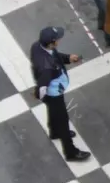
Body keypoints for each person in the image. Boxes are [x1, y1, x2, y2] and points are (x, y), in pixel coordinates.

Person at [30, 26, 91, 162]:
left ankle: (54, 131)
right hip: (53, 93)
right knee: (63, 120)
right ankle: (71, 152)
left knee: (53, 111)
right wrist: (42, 96)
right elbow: (42, 86)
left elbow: (55, 56)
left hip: (54, 91)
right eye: (57, 39)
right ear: (52, 43)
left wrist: (68, 58)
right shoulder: (46, 67)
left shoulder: (38, 46)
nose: (59, 41)